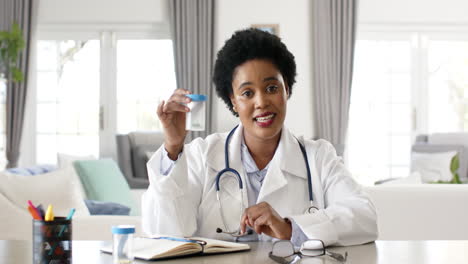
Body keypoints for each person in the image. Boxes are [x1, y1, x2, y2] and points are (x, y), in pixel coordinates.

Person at [142, 28, 378, 246]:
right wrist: (173, 146)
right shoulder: (201, 155)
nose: (261, 102)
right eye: (247, 93)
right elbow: (164, 233)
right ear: (233, 101)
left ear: (288, 89)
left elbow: (364, 217)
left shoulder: (318, 157)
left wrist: (290, 228)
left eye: (272, 88)